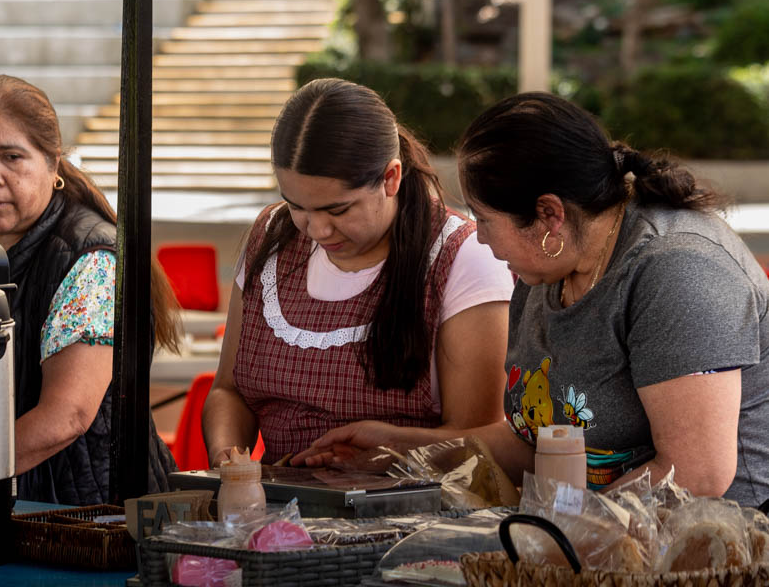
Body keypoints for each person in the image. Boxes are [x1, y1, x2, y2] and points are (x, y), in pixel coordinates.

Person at [293, 91, 769, 508]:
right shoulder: (544, 271)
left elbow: (697, 474)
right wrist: (401, 448)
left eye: (483, 218)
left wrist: (561, 537)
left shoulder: (677, 269)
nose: (478, 238)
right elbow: (531, 444)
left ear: (548, 215)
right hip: (610, 541)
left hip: (725, 549)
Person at [202, 78, 514, 467]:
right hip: (277, 511)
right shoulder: (271, 236)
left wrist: (391, 448)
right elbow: (229, 391)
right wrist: (228, 460)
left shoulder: (463, 257)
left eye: (338, 210)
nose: (317, 230)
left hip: (412, 517)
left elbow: (478, 443)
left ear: (391, 178)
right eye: (296, 206)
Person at [0, 75, 174, 504]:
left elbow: (67, 416)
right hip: (3, 501)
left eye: (12, 156)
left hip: (89, 516)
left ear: (52, 163)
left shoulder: (92, 259)